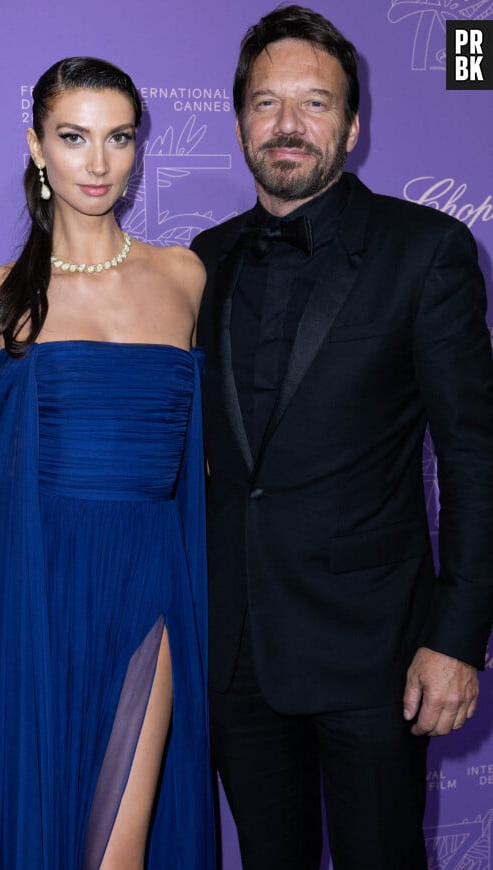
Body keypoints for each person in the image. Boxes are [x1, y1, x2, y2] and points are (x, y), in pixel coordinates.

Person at [191, 6, 493, 869]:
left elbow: (474, 454)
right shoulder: (200, 263)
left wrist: (457, 637)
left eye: (315, 103)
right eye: (266, 103)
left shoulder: (425, 251)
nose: (287, 125)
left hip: (379, 658)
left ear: (353, 126)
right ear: (242, 118)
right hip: (237, 654)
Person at [0, 56, 215, 870]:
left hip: (150, 585)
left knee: (118, 851)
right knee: (33, 838)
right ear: (37, 146)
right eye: (74, 137)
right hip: (27, 592)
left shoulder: (186, 276)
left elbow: (198, 465)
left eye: (118, 138)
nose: (98, 163)